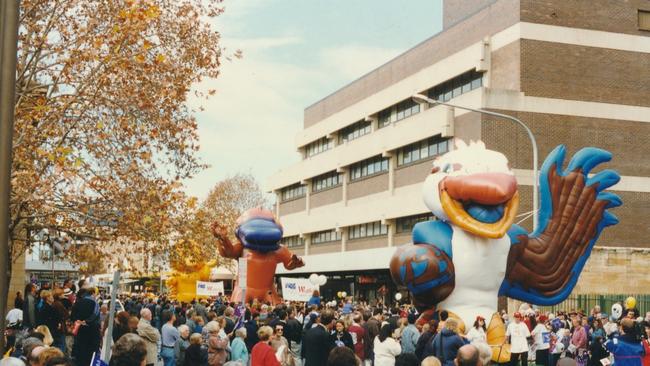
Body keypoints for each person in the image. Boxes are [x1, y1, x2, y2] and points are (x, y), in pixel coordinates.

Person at [71, 287, 101, 366]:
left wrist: (79, 321)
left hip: (80, 330)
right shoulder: (95, 302)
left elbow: (72, 316)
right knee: (91, 353)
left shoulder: (78, 302)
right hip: (93, 330)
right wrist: (87, 321)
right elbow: (95, 314)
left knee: (81, 350)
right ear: (93, 293)